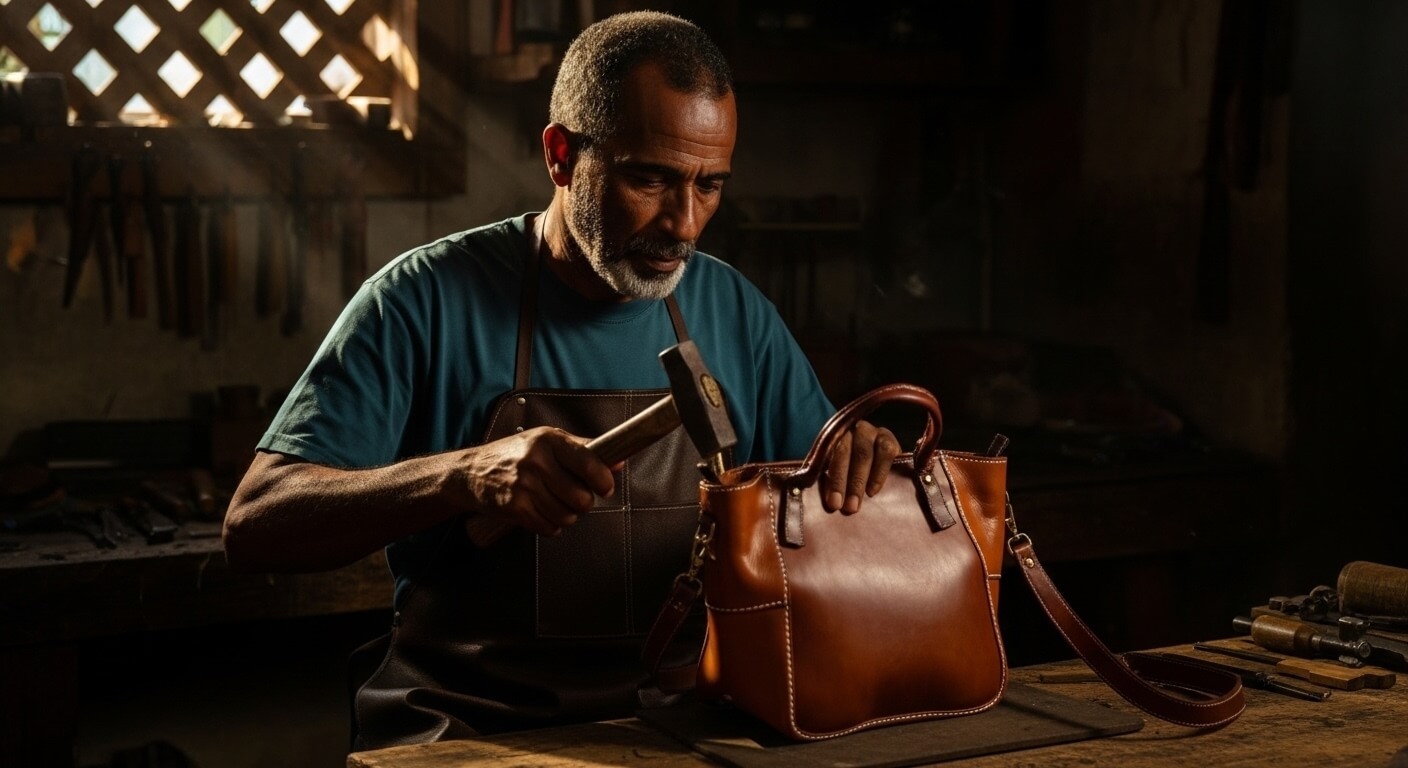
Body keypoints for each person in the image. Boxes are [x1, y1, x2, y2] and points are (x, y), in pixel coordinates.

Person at [223, 10, 899, 748]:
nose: (684, 224)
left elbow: (820, 520)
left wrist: (856, 467)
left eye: (709, 186)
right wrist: (462, 475)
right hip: (471, 726)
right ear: (561, 156)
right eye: (651, 178)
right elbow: (256, 526)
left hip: (685, 722)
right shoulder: (422, 299)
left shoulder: (730, 309)